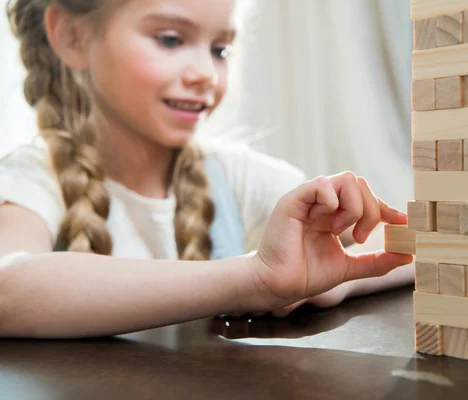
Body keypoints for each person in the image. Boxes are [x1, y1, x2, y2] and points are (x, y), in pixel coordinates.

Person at [0, 0, 414, 339]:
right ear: (72, 36)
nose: (205, 75)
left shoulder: (233, 174)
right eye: (170, 39)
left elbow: (418, 243)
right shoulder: (35, 177)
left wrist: (332, 282)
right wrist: (253, 279)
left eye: (220, 50)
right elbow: (8, 285)